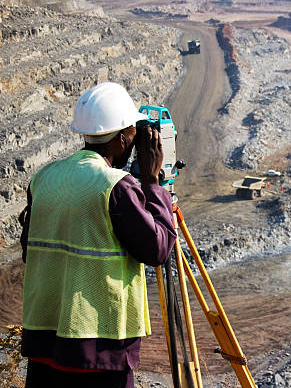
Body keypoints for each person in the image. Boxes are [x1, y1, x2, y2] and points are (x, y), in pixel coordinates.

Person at [18, 82, 177, 388]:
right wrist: (154, 183)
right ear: (121, 139)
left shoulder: (45, 177)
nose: (135, 140)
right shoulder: (116, 186)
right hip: (99, 350)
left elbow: (30, 249)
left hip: (44, 344)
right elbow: (158, 249)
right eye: (132, 133)